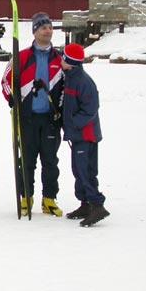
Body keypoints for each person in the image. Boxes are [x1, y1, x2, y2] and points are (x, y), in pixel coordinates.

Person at [1, 12, 64, 217]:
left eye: (50, 27)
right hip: (27, 118)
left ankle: (49, 199)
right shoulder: (22, 56)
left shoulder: (59, 58)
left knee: (50, 161)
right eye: (43, 27)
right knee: (27, 160)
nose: (48, 30)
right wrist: (11, 98)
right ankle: (26, 196)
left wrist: (63, 111)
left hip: (50, 119)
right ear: (35, 31)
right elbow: (5, 81)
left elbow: (68, 86)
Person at [60, 44, 110, 227]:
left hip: (86, 135)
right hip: (77, 135)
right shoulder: (71, 78)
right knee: (77, 169)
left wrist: (73, 124)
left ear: (70, 63)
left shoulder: (83, 81)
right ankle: (85, 204)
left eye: (63, 58)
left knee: (85, 170)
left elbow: (90, 109)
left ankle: (97, 204)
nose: (60, 61)